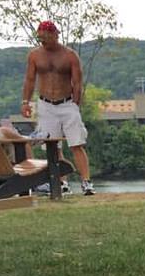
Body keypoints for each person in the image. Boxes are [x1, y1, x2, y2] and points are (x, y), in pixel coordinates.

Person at [20, 21, 95, 195]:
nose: (43, 41)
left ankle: (86, 182)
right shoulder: (34, 56)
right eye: (40, 38)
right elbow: (30, 80)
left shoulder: (70, 56)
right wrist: (25, 102)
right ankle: (62, 183)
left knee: (76, 143)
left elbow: (77, 82)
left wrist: (76, 103)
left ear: (55, 35)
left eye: (46, 37)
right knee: (53, 146)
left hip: (67, 103)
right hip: (46, 104)